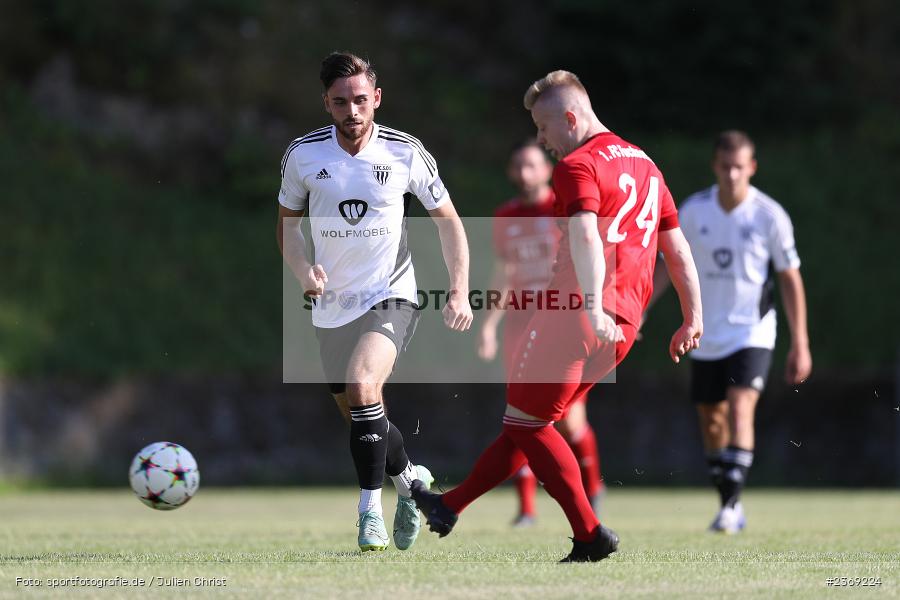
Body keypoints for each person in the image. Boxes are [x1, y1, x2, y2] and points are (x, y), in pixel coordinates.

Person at [411, 70, 703, 562]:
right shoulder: (646, 164)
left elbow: (587, 236)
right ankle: (448, 506)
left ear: (571, 118)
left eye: (545, 129)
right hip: (624, 326)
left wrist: (588, 304)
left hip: (576, 315)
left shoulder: (578, 164)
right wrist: (692, 316)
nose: (542, 141)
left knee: (529, 426)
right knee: (529, 422)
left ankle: (589, 533)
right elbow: (674, 246)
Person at [276, 52, 473, 552]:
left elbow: (448, 221)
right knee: (362, 415)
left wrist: (457, 289)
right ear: (326, 103)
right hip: (330, 306)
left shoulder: (405, 152)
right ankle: (411, 483)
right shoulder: (303, 155)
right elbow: (288, 227)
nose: (352, 111)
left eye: (361, 100)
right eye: (340, 101)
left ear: (377, 99)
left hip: (392, 294)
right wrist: (303, 271)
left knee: (364, 387)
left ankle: (369, 512)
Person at [647, 130, 812, 534]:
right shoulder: (694, 210)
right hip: (705, 332)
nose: (732, 174)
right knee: (711, 419)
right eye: (725, 166)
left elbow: (790, 278)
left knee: (740, 408)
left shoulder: (769, 215)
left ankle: (731, 505)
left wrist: (801, 342)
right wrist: (641, 309)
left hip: (751, 331)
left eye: (740, 167)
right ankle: (728, 503)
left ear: (752, 168)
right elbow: (670, 263)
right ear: (715, 166)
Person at [477, 139, 605, 526]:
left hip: (563, 327)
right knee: (520, 416)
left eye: (531, 164)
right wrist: (487, 325)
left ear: (547, 170)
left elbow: (591, 257)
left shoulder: (565, 209)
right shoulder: (505, 216)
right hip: (520, 328)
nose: (524, 172)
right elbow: (505, 273)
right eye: (517, 165)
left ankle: (592, 491)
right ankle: (527, 509)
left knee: (570, 419)